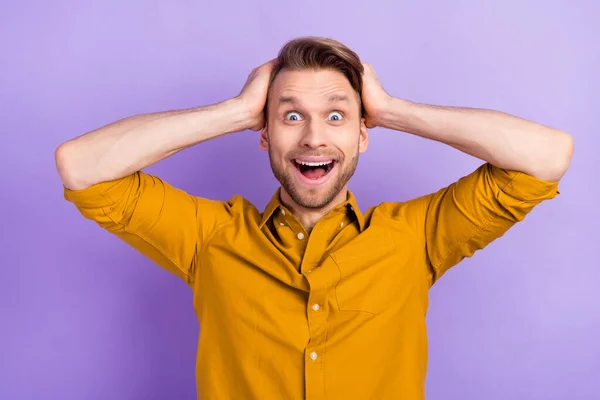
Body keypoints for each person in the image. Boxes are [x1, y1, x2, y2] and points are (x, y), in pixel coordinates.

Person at [55, 37, 573, 399]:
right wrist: (235, 111)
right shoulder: (210, 239)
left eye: (336, 116)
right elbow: (81, 166)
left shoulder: (416, 238)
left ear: (362, 136)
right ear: (265, 135)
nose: (314, 138)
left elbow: (547, 155)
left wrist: (391, 109)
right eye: (291, 115)